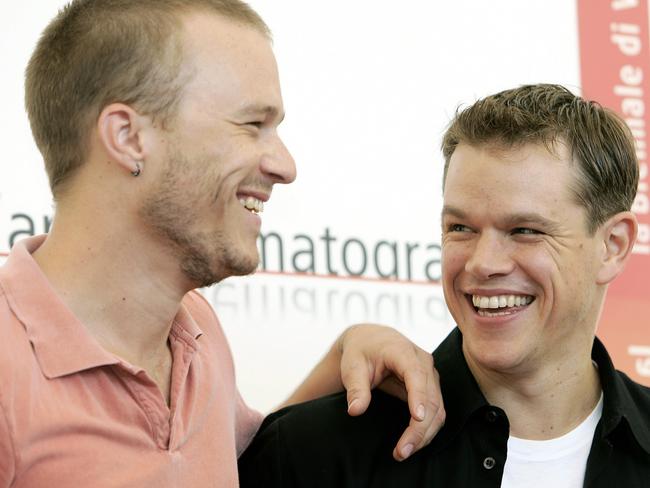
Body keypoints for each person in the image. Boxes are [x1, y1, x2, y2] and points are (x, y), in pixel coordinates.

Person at [0, 1, 447, 486]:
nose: (285, 165)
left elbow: (232, 467)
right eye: (253, 125)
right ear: (128, 137)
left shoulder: (197, 332)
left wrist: (344, 353)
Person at [238, 84, 650, 487]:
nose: (482, 263)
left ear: (612, 246)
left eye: (524, 230)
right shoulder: (314, 451)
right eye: (460, 228)